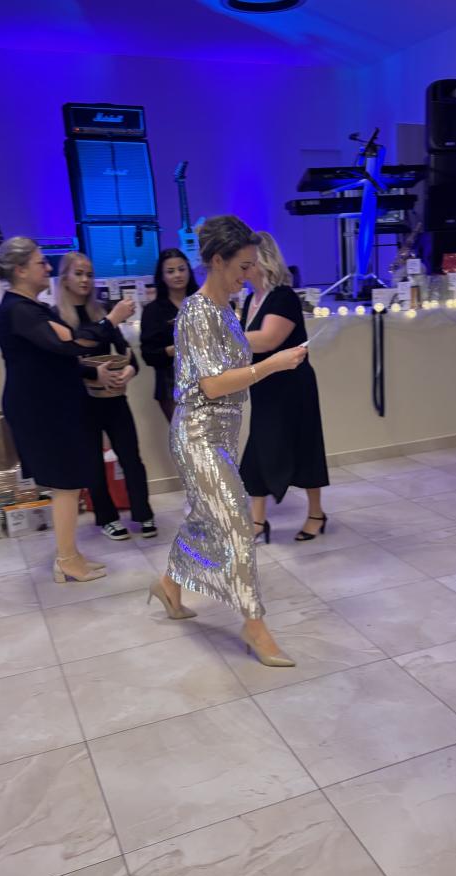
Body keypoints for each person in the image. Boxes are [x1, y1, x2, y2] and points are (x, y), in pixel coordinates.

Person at [150, 215, 307, 668]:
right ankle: (254, 624)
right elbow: (213, 384)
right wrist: (272, 365)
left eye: (252, 264)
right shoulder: (197, 313)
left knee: (206, 518)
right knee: (239, 522)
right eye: (243, 266)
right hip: (198, 435)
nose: (250, 273)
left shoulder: (225, 310)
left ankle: (169, 585)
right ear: (217, 262)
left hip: (221, 434)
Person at [0, 236, 105, 584]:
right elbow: (67, 345)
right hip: (40, 410)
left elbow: (59, 354)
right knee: (65, 483)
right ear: (20, 270)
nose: (47, 267)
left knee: (68, 482)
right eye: (40, 262)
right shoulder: (19, 310)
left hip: (53, 405)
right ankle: (67, 559)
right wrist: (109, 322)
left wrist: (90, 369)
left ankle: (70, 553)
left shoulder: (33, 308)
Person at [55, 251, 157, 542]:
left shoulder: (100, 312)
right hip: (80, 400)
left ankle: (143, 512)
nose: (85, 279)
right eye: (78, 273)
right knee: (92, 461)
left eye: (89, 274)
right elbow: (67, 359)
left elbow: (128, 355)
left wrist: (129, 371)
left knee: (131, 456)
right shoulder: (56, 317)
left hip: (113, 396)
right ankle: (107, 517)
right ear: (65, 278)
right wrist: (92, 374)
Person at [240, 231, 329, 542]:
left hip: (292, 388)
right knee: (258, 447)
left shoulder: (283, 297)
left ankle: (316, 513)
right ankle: (257, 521)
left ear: (261, 260)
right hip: (264, 385)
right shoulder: (251, 300)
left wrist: (221, 336)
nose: (242, 268)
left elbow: (268, 340)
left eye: (246, 261)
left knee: (304, 446)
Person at [140, 248, 198, 422]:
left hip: (206, 381)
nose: (177, 275)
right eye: (170, 271)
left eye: (181, 269)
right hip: (171, 385)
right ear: (162, 276)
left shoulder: (201, 303)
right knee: (186, 437)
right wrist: (174, 350)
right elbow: (148, 354)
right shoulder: (153, 311)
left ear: (189, 271)